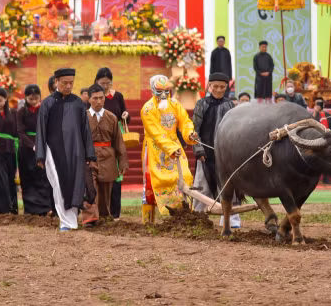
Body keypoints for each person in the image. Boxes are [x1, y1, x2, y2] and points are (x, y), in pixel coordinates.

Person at [36, 68, 96, 231]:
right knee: (59, 184)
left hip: (76, 150)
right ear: (56, 82)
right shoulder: (47, 103)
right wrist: (40, 155)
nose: (68, 86)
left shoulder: (77, 103)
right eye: (64, 83)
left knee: (76, 183)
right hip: (54, 152)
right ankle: (65, 221)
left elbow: (85, 129)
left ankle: (71, 221)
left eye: (71, 83)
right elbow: (41, 129)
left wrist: (89, 153)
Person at [140, 74, 197, 225]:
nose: (164, 95)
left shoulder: (175, 104)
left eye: (167, 91)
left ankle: (183, 215)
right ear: (152, 91)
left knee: (184, 176)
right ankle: (147, 221)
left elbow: (185, 121)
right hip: (155, 149)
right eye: (160, 91)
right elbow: (156, 133)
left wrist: (189, 133)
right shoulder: (147, 109)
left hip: (175, 146)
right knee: (151, 184)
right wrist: (171, 148)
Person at [192, 73, 240, 229]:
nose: (219, 90)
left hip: (225, 153)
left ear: (227, 87)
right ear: (209, 86)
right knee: (201, 184)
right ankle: (198, 218)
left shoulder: (231, 105)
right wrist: (198, 150)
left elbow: (235, 129)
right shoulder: (201, 104)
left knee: (228, 185)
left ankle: (231, 219)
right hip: (205, 153)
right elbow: (195, 129)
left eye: (222, 87)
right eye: (215, 86)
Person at [80, 84, 127, 227]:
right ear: (89, 99)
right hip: (89, 157)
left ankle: (104, 215)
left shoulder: (112, 118)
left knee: (106, 189)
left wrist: (123, 161)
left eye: (101, 98)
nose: (99, 101)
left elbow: (118, 140)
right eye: (95, 98)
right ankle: (89, 217)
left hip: (108, 156)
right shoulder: (82, 117)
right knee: (89, 186)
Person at [95, 67, 130, 220]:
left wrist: (125, 115)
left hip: (115, 138)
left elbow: (124, 114)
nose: (105, 86)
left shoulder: (118, 96)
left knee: (117, 174)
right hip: (99, 140)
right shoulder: (95, 97)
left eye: (107, 83)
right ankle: (101, 211)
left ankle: (115, 212)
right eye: (102, 83)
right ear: (96, 82)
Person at [16, 84, 54, 215]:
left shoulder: (44, 110)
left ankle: (45, 208)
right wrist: (32, 145)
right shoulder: (21, 112)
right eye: (30, 99)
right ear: (26, 98)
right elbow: (20, 132)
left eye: (36, 98)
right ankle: (30, 209)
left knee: (42, 178)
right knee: (27, 178)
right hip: (26, 150)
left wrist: (40, 144)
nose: (33, 101)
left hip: (42, 147)